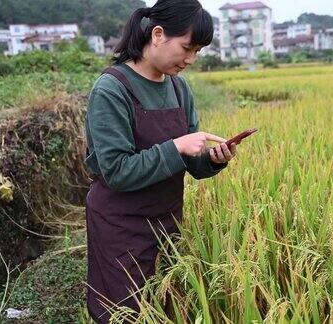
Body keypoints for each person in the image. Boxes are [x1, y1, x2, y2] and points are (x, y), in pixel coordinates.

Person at [84, 0, 237, 322]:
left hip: (166, 219)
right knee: (122, 311)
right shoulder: (112, 88)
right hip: (120, 224)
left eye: (198, 51)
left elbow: (192, 163)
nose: (191, 59)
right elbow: (116, 172)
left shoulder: (179, 89)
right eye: (187, 48)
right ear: (157, 34)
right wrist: (176, 146)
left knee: (164, 303)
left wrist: (213, 160)